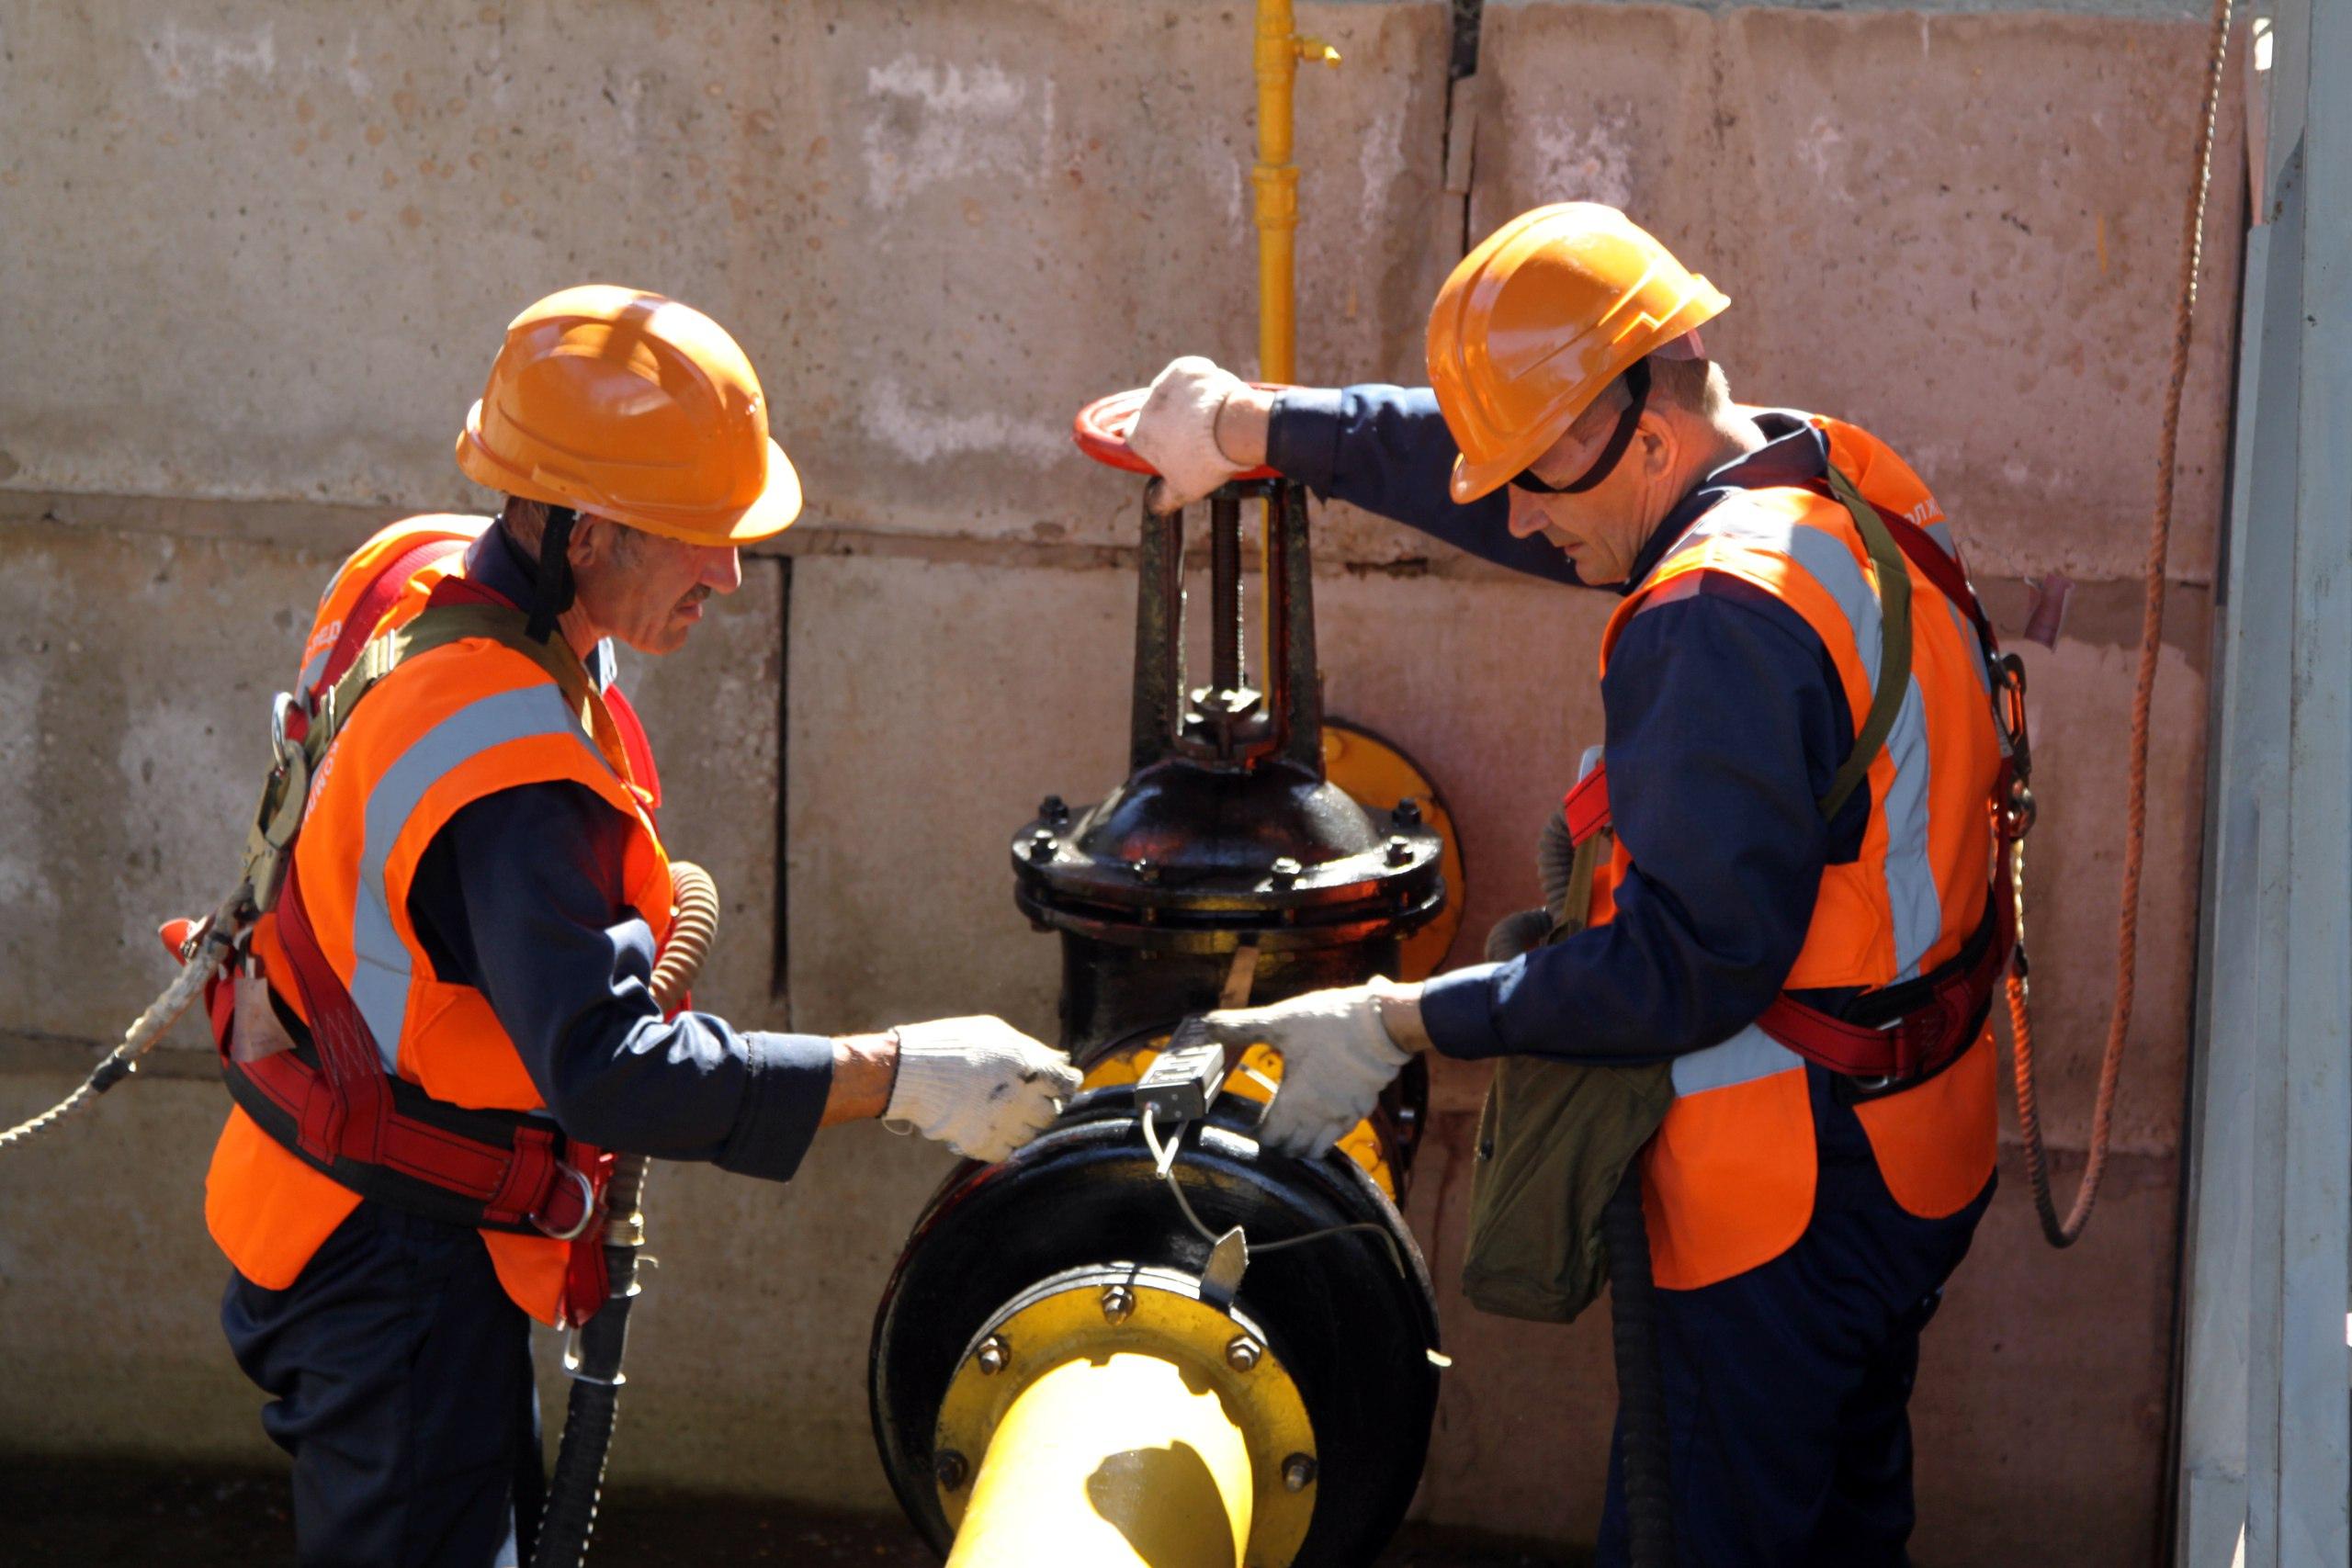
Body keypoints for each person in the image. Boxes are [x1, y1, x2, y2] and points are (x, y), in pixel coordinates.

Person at [1129, 204, 2005, 1566]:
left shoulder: (1714, 620)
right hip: (1922, 1135)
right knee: (1839, 1516)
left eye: (1534, 488)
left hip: (1795, 1190)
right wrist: (1255, 424)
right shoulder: (1828, 477)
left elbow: (1683, 967)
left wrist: (1392, 1024)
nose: (1521, 526)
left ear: (1644, 435)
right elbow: (1491, 456)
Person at [199, 285, 1080, 1567]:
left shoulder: (426, 579)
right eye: (699, 538)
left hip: (348, 1207)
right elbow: (612, 1072)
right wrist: (902, 1078)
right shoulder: (506, 775)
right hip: (393, 1275)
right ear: (589, 531)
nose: (729, 574)